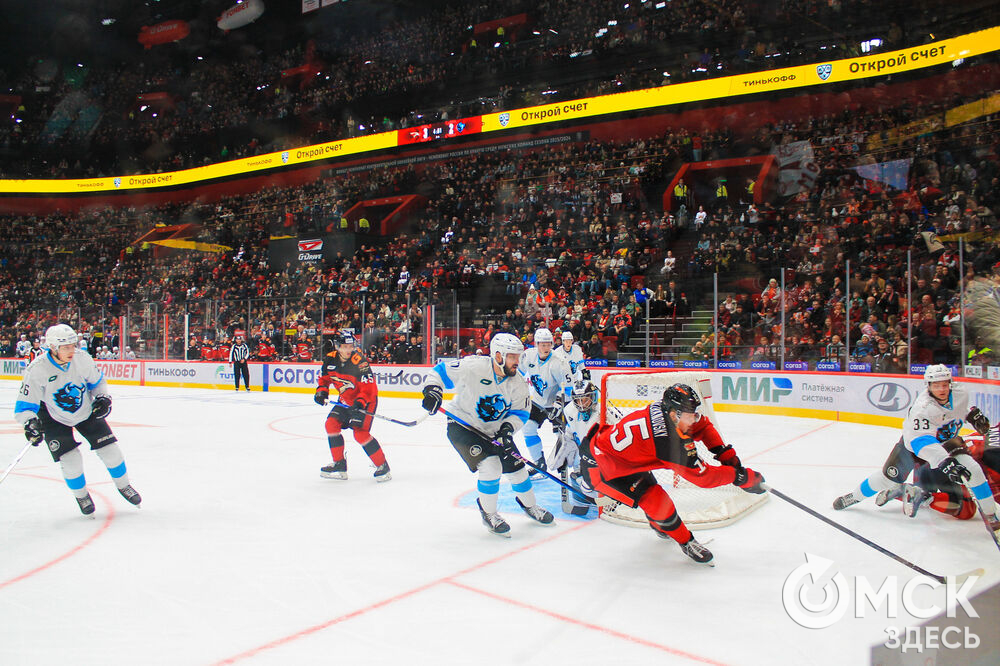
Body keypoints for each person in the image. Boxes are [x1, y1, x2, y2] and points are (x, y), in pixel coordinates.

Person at [580, 383, 766, 565]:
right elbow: (704, 478)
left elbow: (703, 425)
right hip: (603, 468)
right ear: (673, 414)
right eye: (689, 415)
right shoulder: (668, 442)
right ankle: (686, 542)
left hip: (621, 458)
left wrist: (726, 454)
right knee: (657, 502)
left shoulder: (669, 412)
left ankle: (660, 523)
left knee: (657, 507)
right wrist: (740, 477)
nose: (693, 419)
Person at [833, 365, 998, 531]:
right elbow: (922, 442)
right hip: (914, 446)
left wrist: (970, 415)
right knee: (886, 478)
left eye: (944, 384)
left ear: (950, 383)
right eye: (936, 385)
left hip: (948, 441)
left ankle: (991, 515)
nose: (941, 389)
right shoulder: (923, 408)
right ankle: (854, 497)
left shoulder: (960, 392)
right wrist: (945, 461)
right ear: (928, 386)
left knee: (974, 470)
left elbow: (958, 409)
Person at [419, 333, 553, 536]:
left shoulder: (518, 382)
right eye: (513, 357)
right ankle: (489, 513)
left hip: (495, 430)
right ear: (498, 356)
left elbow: (520, 412)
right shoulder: (474, 366)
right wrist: (432, 390)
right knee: (491, 466)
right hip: (463, 425)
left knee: (518, 469)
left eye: (519, 356)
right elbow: (439, 372)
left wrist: (507, 430)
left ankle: (530, 506)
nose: (518, 361)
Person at [13, 324, 141, 515]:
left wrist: (102, 398)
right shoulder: (37, 370)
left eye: (73, 345)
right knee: (71, 460)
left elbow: (97, 383)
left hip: (85, 409)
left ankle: (124, 485)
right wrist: (30, 423)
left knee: (111, 451)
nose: (71, 350)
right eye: (66, 347)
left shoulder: (82, 359)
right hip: (52, 416)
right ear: (53, 348)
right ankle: (81, 495)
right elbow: (24, 405)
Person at [313, 332, 391, 482]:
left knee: (360, 434)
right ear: (337, 347)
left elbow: (369, 388)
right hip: (345, 400)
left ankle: (383, 466)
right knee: (331, 424)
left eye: (351, 346)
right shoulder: (330, 358)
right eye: (344, 347)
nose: (348, 350)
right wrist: (321, 392)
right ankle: (339, 465)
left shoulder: (359, 361)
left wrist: (360, 403)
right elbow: (324, 379)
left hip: (366, 401)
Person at [518, 327, 574, 475]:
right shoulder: (527, 356)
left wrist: (558, 403)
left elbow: (568, 388)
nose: (546, 347)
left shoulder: (560, 362)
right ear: (536, 344)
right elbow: (518, 374)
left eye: (548, 344)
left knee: (563, 435)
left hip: (558, 404)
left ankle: (572, 465)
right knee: (528, 429)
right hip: (536, 403)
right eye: (542, 344)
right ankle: (539, 463)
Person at [548, 380, 600, 516]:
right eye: (578, 400)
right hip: (586, 452)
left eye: (585, 400)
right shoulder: (570, 410)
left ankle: (606, 494)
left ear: (593, 397)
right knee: (577, 471)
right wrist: (563, 447)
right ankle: (584, 497)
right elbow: (571, 434)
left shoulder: (603, 412)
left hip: (604, 456)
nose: (582, 404)